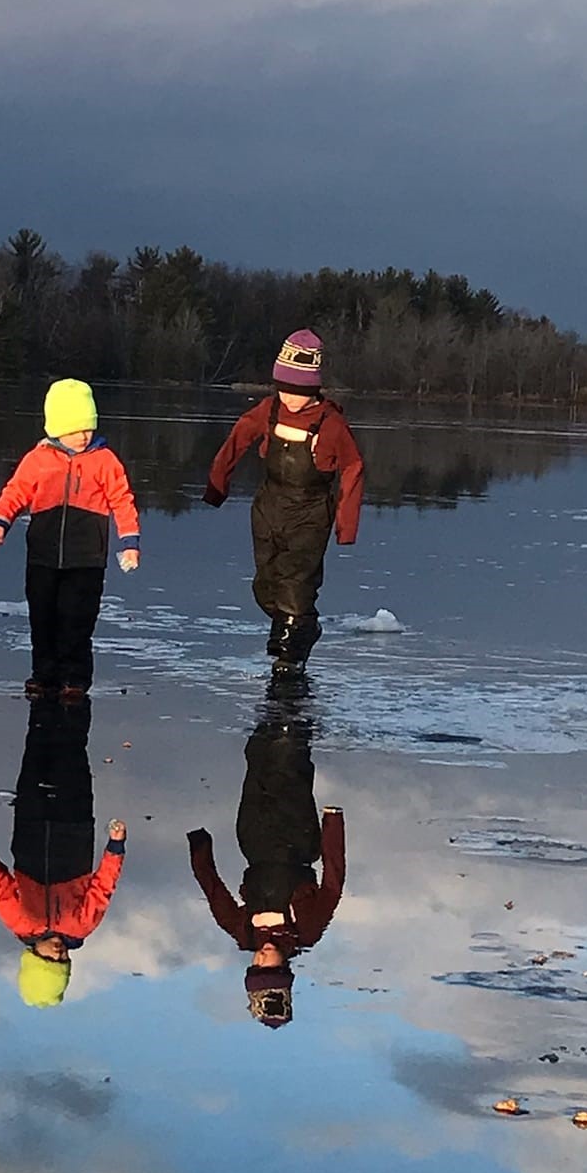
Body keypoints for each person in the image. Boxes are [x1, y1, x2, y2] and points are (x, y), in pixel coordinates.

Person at [202, 331, 365, 675]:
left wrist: (345, 524)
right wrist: (217, 486)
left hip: (310, 512)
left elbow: (353, 467)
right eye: (285, 389)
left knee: (296, 583)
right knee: (266, 586)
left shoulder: (331, 423)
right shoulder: (268, 410)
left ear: (314, 389)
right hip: (268, 506)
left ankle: (289, 657)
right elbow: (236, 440)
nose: (291, 398)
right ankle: (303, 627)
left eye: (300, 392)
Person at [188, 706, 346, 1026]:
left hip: (255, 841)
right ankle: (291, 695)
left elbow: (214, 891)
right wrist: (332, 823)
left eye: (256, 967)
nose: (261, 958)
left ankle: (276, 706)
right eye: (269, 967)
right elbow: (333, 883)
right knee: (289, 765)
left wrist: (200, 847)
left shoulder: (244, 932)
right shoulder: (306, 931)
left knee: (258, 760)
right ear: (284, 968)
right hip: (298, 839)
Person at [0, 378, 140, 699]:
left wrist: (130, 542)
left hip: (86, 560)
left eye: (88, 428)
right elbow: (16, 491)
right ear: (57, 429)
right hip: (43, 556)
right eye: (76, 429)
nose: (84, 435)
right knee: (42, 618)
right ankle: (44, 675)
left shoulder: (105, 461)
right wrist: (2, 520)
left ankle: (75, 678)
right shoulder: (38, 459)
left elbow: (122, 501)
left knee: (77, 620)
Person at [0, 697, 127, 1007]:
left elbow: (0, 890)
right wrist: (115, 846)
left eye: (50, 961)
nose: (59, 955)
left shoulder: (20, 924)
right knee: (72, 758)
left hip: (31, 830)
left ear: (33, 957)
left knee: (38, 756)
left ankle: (44, 702)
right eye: (63, 963)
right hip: (74, 830)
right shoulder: (81, 926)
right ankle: (72, 702)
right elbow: (103, 888)